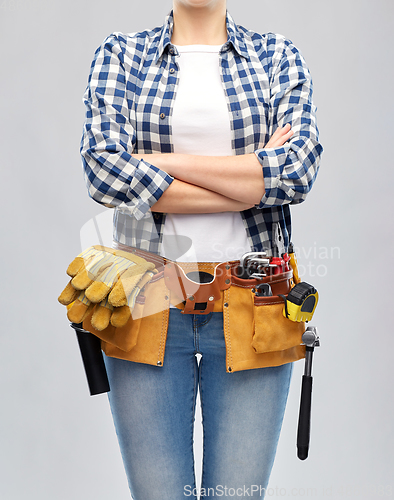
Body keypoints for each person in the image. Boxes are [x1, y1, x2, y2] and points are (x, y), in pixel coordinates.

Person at [80, 0, 323, 498]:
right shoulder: (120, 56)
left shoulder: (277, 57)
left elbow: (296, 172)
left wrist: (150, 162)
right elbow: (103, 169)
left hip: (255, 301)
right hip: (147, 298)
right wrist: (252, 173)